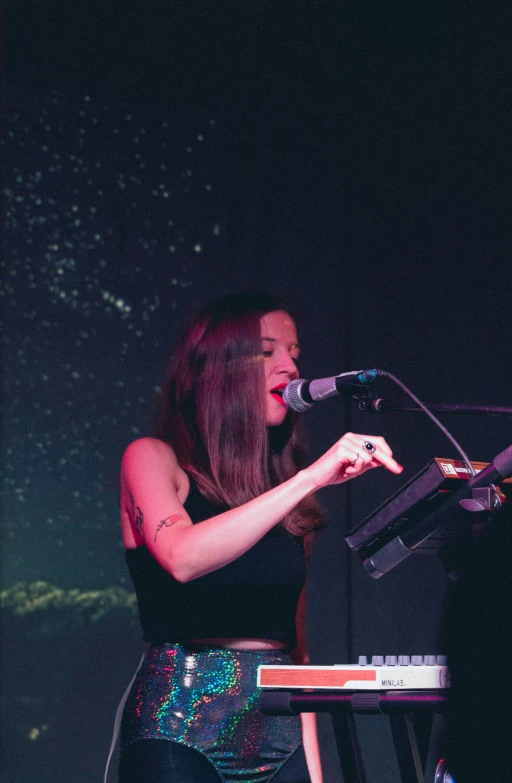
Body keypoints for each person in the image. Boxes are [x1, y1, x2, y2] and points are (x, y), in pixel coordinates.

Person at [117, 292, 403, 783]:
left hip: (278, 734)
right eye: (267, 351)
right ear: (216, 367)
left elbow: (297, 649)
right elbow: (182, 557)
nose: (290, 366)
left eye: (294, 352)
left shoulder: (283, 492)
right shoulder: (151, 457)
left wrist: (314, 770)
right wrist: (309, 479)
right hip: (178, 727)